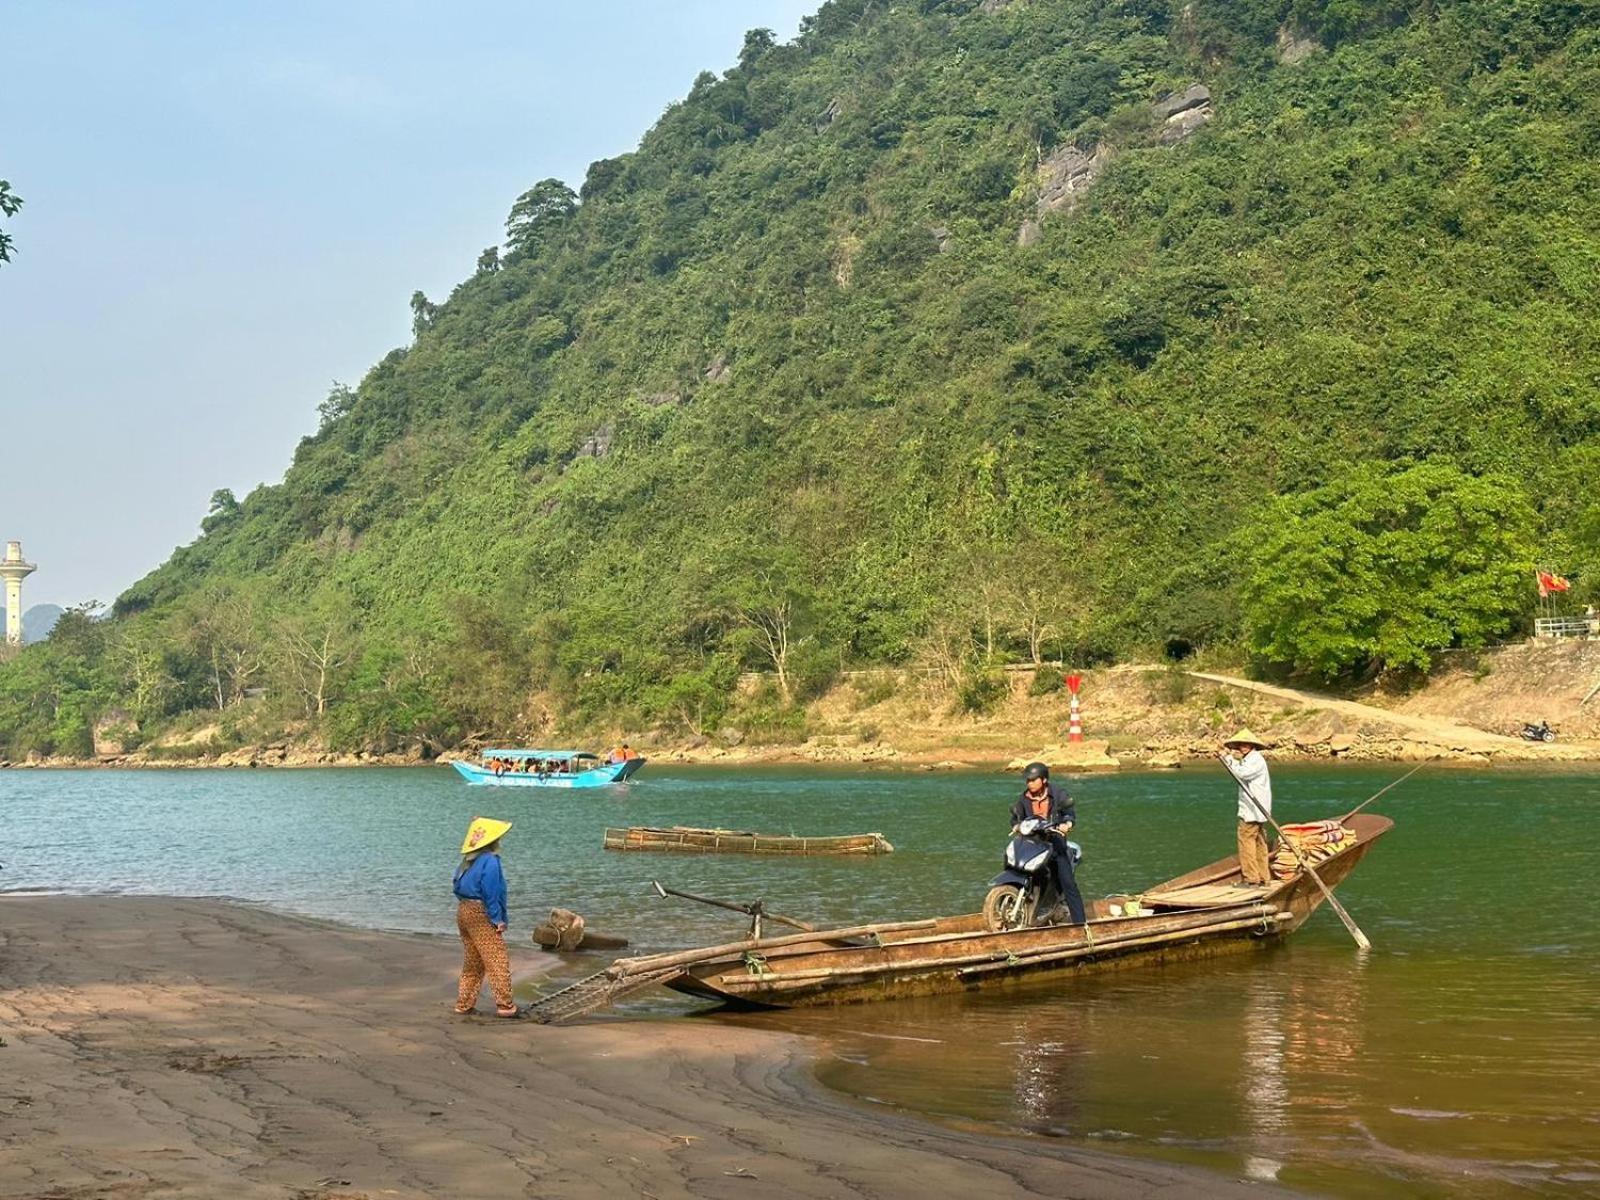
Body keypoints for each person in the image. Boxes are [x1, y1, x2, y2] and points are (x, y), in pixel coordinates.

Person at [452, 816, 521, 1017]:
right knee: (496, 958)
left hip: (464, 910)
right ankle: (505, 1006)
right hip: (480, 912)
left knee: (473, 961)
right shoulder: (490, 861)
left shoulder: (467, 861)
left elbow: (456, 886)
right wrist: (497, 919)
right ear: (493, 842)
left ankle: (463, 1003)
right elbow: (492, 891)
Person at [1008, 761, 1086, 925]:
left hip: (1055, 842)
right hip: (1033, 843)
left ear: (1043, 780)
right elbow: (1016, 817)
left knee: (1067, 882)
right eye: (1027, 780)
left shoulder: (1057, 794)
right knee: (1014, 866)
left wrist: (1067, 824)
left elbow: (1069, 813)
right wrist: (1016, 825)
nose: (1029, 783)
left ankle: (1081, 925)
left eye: (1032, 780)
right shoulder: (1024, 799)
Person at [1219, 729, 1273, 886]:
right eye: (1241, 744)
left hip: (1253, 810)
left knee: (1247, 842)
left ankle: (1251, 879)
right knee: (1259, 842)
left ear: (1252, 745)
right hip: (1256, 810)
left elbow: (1242, 774)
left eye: (1246, 744)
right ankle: (1263, 877)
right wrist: (1230, 759)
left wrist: (1228, 758)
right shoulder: (1249, 759)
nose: (1243, 747)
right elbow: (1241, 771)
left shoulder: (1255, 760)